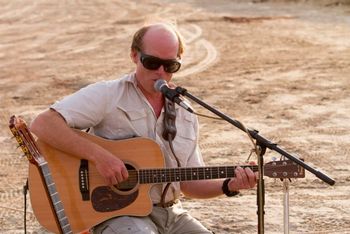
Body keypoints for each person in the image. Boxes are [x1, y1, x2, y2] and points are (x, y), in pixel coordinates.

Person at [30, 22, 257, 234]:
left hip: (171, 214)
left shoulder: (184, 113)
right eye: (151, 63)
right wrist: (101, 158)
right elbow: (43, 124)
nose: (160, 72)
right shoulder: (109, 95)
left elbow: (189, 183)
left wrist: (229, 184)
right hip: (116, 213)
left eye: (170, 66)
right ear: (134, 55)